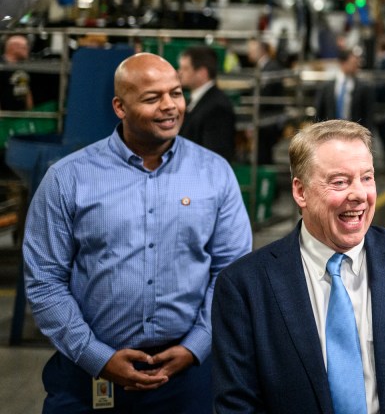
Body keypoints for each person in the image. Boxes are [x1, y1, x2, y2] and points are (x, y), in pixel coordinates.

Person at [22, 53, 252, 414]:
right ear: (120, 106)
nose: (170, 106)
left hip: (188, 376)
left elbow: (231, 271)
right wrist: (96, 356)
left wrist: (197, 345)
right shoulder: (69, 179)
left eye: (176, 93)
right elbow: (45, 280)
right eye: (152, 98)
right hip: (88, 373)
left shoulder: (215, 174)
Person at [211, 119, 385, 413]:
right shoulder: (245, 285)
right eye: (340, 181)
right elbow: (237, 404)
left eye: (366, 178)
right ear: (300, 192)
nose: (359, 194)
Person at [177, 44, 238, 163]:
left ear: (202, 73)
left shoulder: (217, 108)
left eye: (185, 68)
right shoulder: (196, 100)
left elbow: (215, 158)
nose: (179, 73)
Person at [247, 37, 285, 167]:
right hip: (263, 118)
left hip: (268, 119)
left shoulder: (272, 67)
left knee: (264, 156)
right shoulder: (263, 67)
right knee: (261, 154)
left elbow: (265, 95)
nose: (249, 53)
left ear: (261, 50)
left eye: (252, 50)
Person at [315, 48, 374, 128]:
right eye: (353, 63)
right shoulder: (327, 87)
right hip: (330, 131)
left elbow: (367, 116)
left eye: (357, 63)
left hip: (354, 132)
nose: (356, 66)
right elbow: (320, 113)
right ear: (343, 63)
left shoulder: (363, 87)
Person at [0, 32, 33, 112]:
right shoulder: (2, 65)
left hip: (20, 116)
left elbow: (27, 89)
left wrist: (30, 111)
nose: (27, 51)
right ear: (14, 47)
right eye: (24, 48)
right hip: (5, 116)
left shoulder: (22, 65)